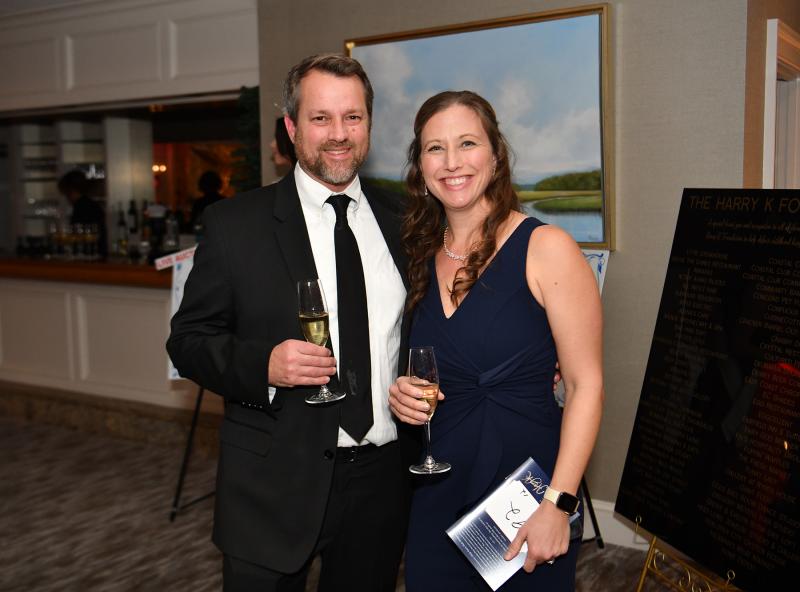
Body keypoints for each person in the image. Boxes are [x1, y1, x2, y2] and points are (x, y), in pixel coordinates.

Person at [166, 54, 411, 592]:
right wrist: (265, 365)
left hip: (381, 478)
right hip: (272, 480)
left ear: (369, 124)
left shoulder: (406, 220)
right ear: (292, 127)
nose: (339, 134)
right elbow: (187, 341)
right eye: (321, 118)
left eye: (353, 117)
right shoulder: (236, 225)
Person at [388, 91, 604, 591]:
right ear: (420, 167)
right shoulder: (419, 260)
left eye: (467, 143)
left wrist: (559, 503)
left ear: (496, 155)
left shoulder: (546, 248)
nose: (452, 162)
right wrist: (400, 394)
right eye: (434, 149)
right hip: (438, 486)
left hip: (526, 500)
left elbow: (586, 386)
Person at [57, 169, 107, 258]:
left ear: (70, 190)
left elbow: (79, 236)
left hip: (89, 256)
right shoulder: (91, 205)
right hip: (96, 254)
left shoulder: (82, 207)